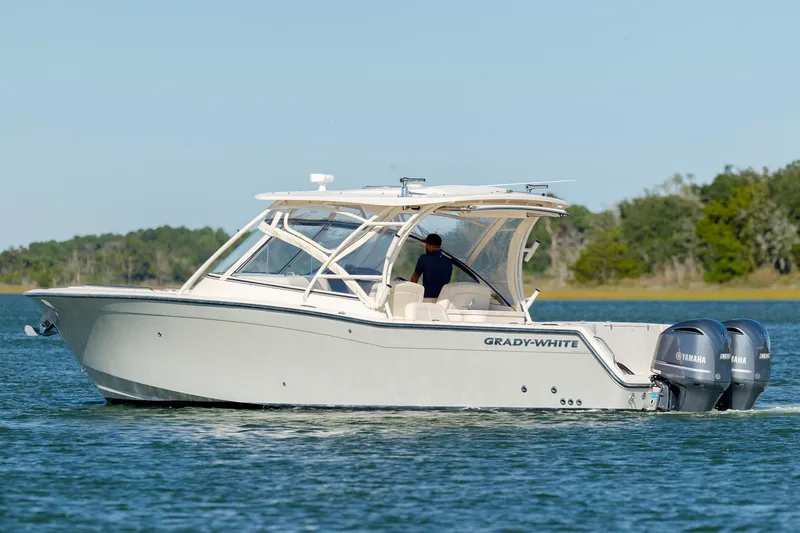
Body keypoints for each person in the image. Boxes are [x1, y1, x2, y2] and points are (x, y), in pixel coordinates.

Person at [410, 233, 453, 299]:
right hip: (443, 299)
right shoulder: (449, 261)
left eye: (426, 245)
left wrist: (411, 293)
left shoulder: (424, 258)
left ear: (429, 245)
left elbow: (415, 277)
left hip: (427, 299)